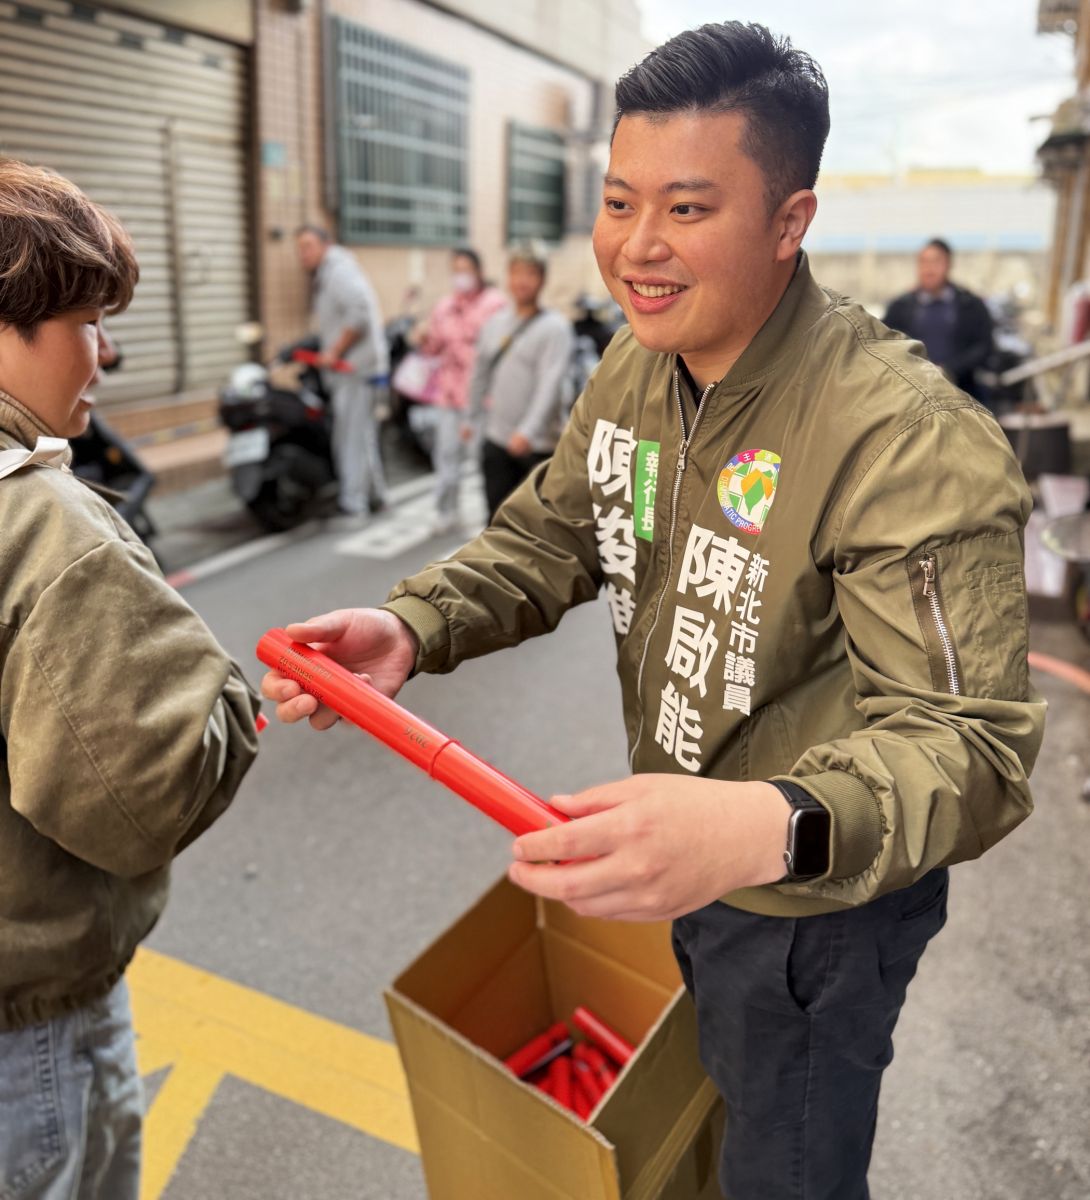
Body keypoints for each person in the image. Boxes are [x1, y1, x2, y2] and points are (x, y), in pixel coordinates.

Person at [262, 23, 1044, 1200]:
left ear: (791, 220)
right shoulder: (636, 365)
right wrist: (414, 625)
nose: (636, 248)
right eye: (619, 202)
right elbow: (551, 535)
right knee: (715, 1117)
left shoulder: (901, 438)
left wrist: (760, 829)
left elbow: (972, 747)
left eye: (686, 209)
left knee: (787, 1169)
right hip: (694, 870)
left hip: (817, 910)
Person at [0, 157, 261, 1198]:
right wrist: (230, 704)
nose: (103, 354)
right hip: (31, 1026)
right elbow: (139, 794)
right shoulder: (45, 527)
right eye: (86, 321)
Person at [464, 240, 575, 522]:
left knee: (536, 526)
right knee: (495, 520)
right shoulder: (495, 323)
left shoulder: (556, 328)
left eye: (531, 273)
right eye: (517, 272)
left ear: (542, 279)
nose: (522, 281)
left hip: (538, 445)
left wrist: (527, 431)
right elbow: (480, 373)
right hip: (497, 438)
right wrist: (471, 418)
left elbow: (549, 384)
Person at [295, 224, 389, 519]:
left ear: (325, 244)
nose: (303, 254)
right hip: (356, 367)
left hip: (354, 368)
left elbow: (359, 314)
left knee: (350, 436)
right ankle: (377, 495)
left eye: (308, 246)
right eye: (299, 248)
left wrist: (334, 351)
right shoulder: (329, 272)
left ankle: (354, 503)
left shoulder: (338, 271)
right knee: (362, 434)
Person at [416, 247, 506, 534]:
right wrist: (423, 338)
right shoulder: (444, 307)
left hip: (483, 397)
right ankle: (446, 512)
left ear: (479, 272)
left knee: (483, 459)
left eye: (466, 270)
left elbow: (496, 347)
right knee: (446, 455)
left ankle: (488, 516)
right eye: (456, 270)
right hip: (449, 395)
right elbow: (434, 347)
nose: (461, 276)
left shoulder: (495, 304)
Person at [884, 238, 995, 400]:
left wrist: (949, 370)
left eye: (936, 261)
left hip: (962, 393)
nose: (929, 269)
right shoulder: (900, 307)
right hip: (912, 396)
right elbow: (885, 345)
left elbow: (984, 346)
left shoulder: (970, 305)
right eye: (924, 262)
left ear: (949, 265)